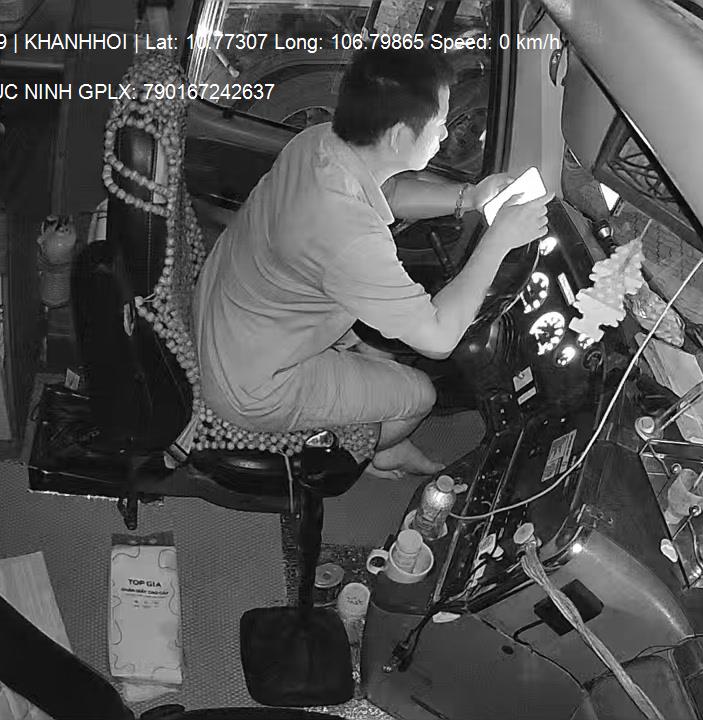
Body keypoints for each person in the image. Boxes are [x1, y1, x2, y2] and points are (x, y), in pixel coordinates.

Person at [194, 49, 551, 478]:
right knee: (418, 395)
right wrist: (498, 241)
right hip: (253, 383)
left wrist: (470, 197)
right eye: (439, 122)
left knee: (379, 347)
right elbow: (438, 338)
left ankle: (369, 425)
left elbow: (390, 193)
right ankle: (374, 451)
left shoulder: (319, 141)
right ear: (399, 137)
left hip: (226, 313)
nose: (444, 133)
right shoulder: (348, 235)